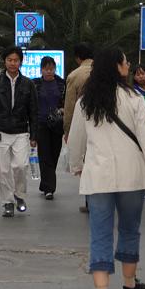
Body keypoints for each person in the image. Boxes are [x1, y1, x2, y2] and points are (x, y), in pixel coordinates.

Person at [68, 47, 145, 289]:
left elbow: (75, 140)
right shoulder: (134, 98)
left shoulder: (86, 101)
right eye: (125, 62)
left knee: (99, 233)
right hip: (132, 177)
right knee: (129, 230)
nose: (129, 65)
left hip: (98, 177)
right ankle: (129, 285)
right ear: (117, 67)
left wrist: (76, 166)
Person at [0, 45, 38, 218]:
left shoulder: (28, 84)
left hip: (21, 131)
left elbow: (33, 112)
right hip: (0, 131)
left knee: (20, 166)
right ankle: (7, 202)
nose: (13, 63)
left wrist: (34, 135)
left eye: (16, 60)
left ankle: (19, 195)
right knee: (3, 170)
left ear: (21, 62)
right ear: (4, 62)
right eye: (9, 60)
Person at [61, 43, 96, 212]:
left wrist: (67, 130)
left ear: (77, 58)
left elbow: (69, 106)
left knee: (85, 163)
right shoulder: (103, 72)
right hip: (103, 125)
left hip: (82, 124)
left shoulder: (74, 75)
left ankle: (90, 201)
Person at [32, 55, 65, 200]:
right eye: (46, 69)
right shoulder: (35, 84)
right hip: (41, 123)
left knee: (54, 154)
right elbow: (31, 105)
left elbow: (66, 102)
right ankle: (49, 189)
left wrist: (63, 110)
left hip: (57, 124)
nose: (49, 71)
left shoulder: (62, 84)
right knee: (44, 155)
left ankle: (45, 183)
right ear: (41, 70)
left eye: (51, 69)